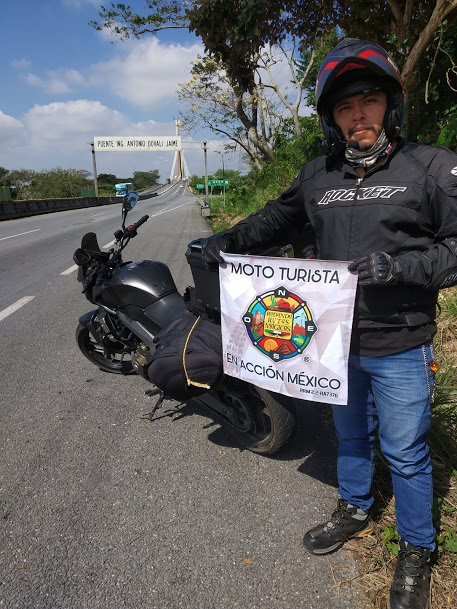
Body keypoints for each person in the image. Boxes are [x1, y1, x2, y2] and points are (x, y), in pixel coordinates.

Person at [201, 38, 457, 609]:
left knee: (407, 451)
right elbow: (275, 221)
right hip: (333, 347)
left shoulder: (432, 167)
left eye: (367, 101)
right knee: (350, 435)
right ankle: (355, 507)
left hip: (402, 343)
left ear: (391, 105)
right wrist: (226, 240)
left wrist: (401, 267)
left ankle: (415, 549)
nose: (357, 115)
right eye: (344, 107)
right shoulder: (320, 174)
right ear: (332, 119)